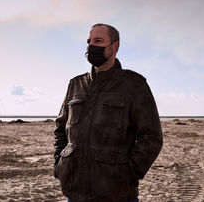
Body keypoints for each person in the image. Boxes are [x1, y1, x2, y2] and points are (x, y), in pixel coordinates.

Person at [54, 23, 163, 202]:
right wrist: (60, 163)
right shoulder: (76, 84)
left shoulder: (134, 84)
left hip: (116, 193)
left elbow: (151, 136)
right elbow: (61, 128)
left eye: (98, 41)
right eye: (89, 41)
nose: (91, 46)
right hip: (74, 191)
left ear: (115, 46)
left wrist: (129, 173)